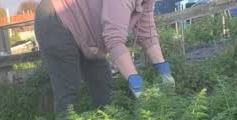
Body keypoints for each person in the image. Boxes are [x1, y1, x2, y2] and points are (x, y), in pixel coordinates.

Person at [35, 0, 175, 114]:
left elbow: (147, 33)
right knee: (68, 92)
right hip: (55, 18)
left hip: (85, 31)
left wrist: (164, 70)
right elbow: (114, 40)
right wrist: (136, 83)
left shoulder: (147, 1)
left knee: (103, 87)